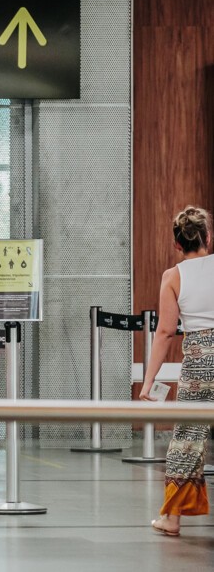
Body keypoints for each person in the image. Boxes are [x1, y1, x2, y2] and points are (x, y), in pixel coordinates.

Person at [140, 206, 214, 538]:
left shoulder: (173, 276)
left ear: (177, 245)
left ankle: (172, 518)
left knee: (187, 437)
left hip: (198, 361)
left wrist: (149, 380)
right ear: (208, 237)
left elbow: (165, 332)